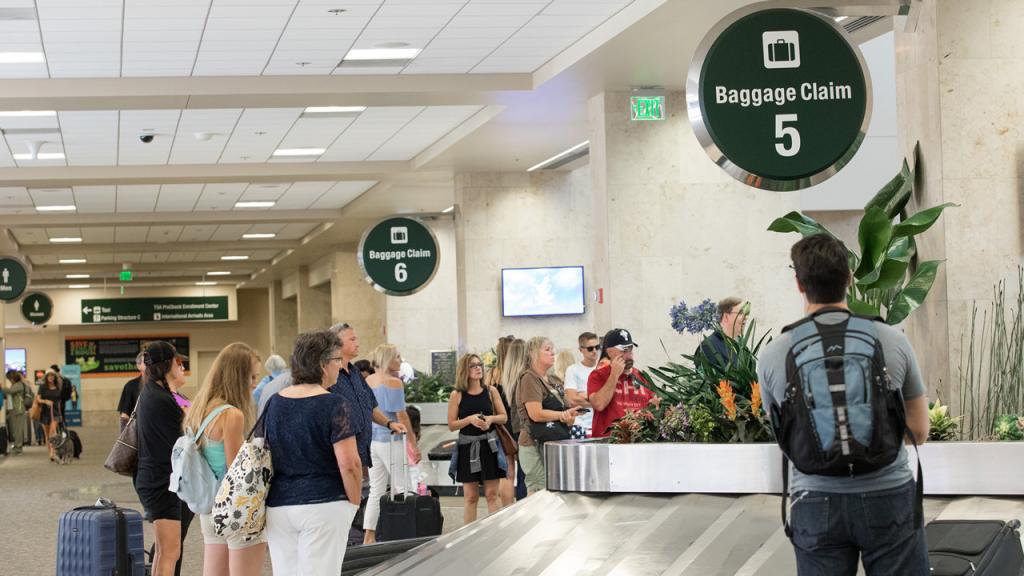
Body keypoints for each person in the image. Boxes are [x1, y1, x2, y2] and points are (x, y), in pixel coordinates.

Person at [757, 233, 930, 576]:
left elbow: (784, 432)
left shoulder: (775, 353)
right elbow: (919, 431)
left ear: (798, 284)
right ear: (850, 279)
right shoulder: (892, 340)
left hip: (814, 500)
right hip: (888, 494)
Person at [263, 330, 363, 576]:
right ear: (321, 364)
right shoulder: (334, 404)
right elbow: (349, 463)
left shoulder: (275, 402)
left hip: (279, 507)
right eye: (337, 360)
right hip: (323, 504)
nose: (340, 367)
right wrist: (354, 502)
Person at [183, 342, 267, 575]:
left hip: (208, 509)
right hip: (235, 510)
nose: (255, 384)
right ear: (237, 377)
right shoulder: (232, 415)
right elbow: (237, 471)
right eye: (251, 377)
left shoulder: (200, 409)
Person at [134, 341, 193, 576]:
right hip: (161, 481)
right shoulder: (161, 400)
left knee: (163, 552)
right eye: (177, 362)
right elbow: (184, 440)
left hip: (156, 479)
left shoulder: (153, 393)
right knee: (170, 553)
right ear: (166, 364)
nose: (181, 366)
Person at [327, 323, 407, 478]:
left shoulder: (356, 372)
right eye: (352, 339)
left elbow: (370, 405)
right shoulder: (329, 375)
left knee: (369, 492)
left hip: (362, 449)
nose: (357, 343)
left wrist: (389, 423)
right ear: (337, 343)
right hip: (340, 455)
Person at [362, 344, 420, 544]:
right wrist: (413, 444)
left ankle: (369, 537)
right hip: (392, 440)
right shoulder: (393, 383)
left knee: (376, 490)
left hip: (373, 443)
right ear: (387, 359)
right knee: (402, 488)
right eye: (397, 357)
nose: (400, 360)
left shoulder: (368, 380)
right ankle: (403, 535)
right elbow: (401, 415)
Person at [514, 337, 581, 494]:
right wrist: (562, 415)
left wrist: (570, 416)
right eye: (547, 349)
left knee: (554, 489)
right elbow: (535, 414)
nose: (553, 353)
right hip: (533, 443)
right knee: (540, 489)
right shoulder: (529, 378)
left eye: (552, 349)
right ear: (532, 354)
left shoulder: (553, 380)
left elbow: (566, 408)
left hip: (553, 442)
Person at [447, 353, 508, 523]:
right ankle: (469, 536)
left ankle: (496, 532)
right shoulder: (457, 395)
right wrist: (469, 419)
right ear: (464, 370)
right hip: (468, 447)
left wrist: (490, 419)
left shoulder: (491, 391)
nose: (478, 368)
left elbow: (503, 417)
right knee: (471, 497)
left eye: (479, 364)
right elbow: (452, 424)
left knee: (491, 495)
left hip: (489, 446)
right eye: (473, 365)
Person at [587, 328, 653, 439]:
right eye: (623, 351)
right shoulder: (598, 376)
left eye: (630, 350)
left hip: (638, 442)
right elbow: (598, 404)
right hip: (608, 443)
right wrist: (614, 375)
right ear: (609, 352)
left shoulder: (642, 377)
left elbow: (653, 409)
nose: (629, 356)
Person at [499, 338, 529, 503]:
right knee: (526, 472)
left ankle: (509, 509)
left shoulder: (503, 379)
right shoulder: (526, 378)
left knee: (509, 472)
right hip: (523, 429)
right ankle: (525, 506)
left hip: (507, 430)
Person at [696, 297, 748, 370]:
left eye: (746, 313)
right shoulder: (708, 346)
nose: (746, 317)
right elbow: (708, 379)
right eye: (741, 313)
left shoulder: (741, 344)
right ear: (726, 317)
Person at [563, 332, 599, 438]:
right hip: (581, 425)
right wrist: (600, 401)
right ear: (581, 350)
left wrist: (585, 395)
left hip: (601, 424)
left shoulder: (604, 368)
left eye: (597, 347)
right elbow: (571, 400)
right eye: (590, 348)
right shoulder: (573, 370)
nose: (595, 351)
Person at [38, 370, 64, 461]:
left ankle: (53, 452)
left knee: (52, 433)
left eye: (52, 376)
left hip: (55, 413)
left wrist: (61, 414)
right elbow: (38, 399)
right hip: (45, 413)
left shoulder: (58, 387)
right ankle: (50, 451)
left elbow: (59, 402)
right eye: (49, 376)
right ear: (46, 377)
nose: (51, 377)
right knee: (46, 434)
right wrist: (45, 401)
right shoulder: (42, 387)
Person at [3, 370, 30, 455]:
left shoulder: (19, 385)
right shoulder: (15, 385)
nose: (9, 380)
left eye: (9, 378)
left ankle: (18, 448)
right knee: (15, 430)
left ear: (13, 378)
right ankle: (16, 446)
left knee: (18, 430)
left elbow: (10, 392)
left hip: (19, 410)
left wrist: (1, 388)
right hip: (14, 410)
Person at [117, 353, 146, 430]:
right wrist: (124, 438)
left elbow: (181, 403)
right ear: (138, 366)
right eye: (146, 361)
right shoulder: (131, 386)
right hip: (139, 432)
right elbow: (124, 416)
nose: (150, 364)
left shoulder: (163, 384)